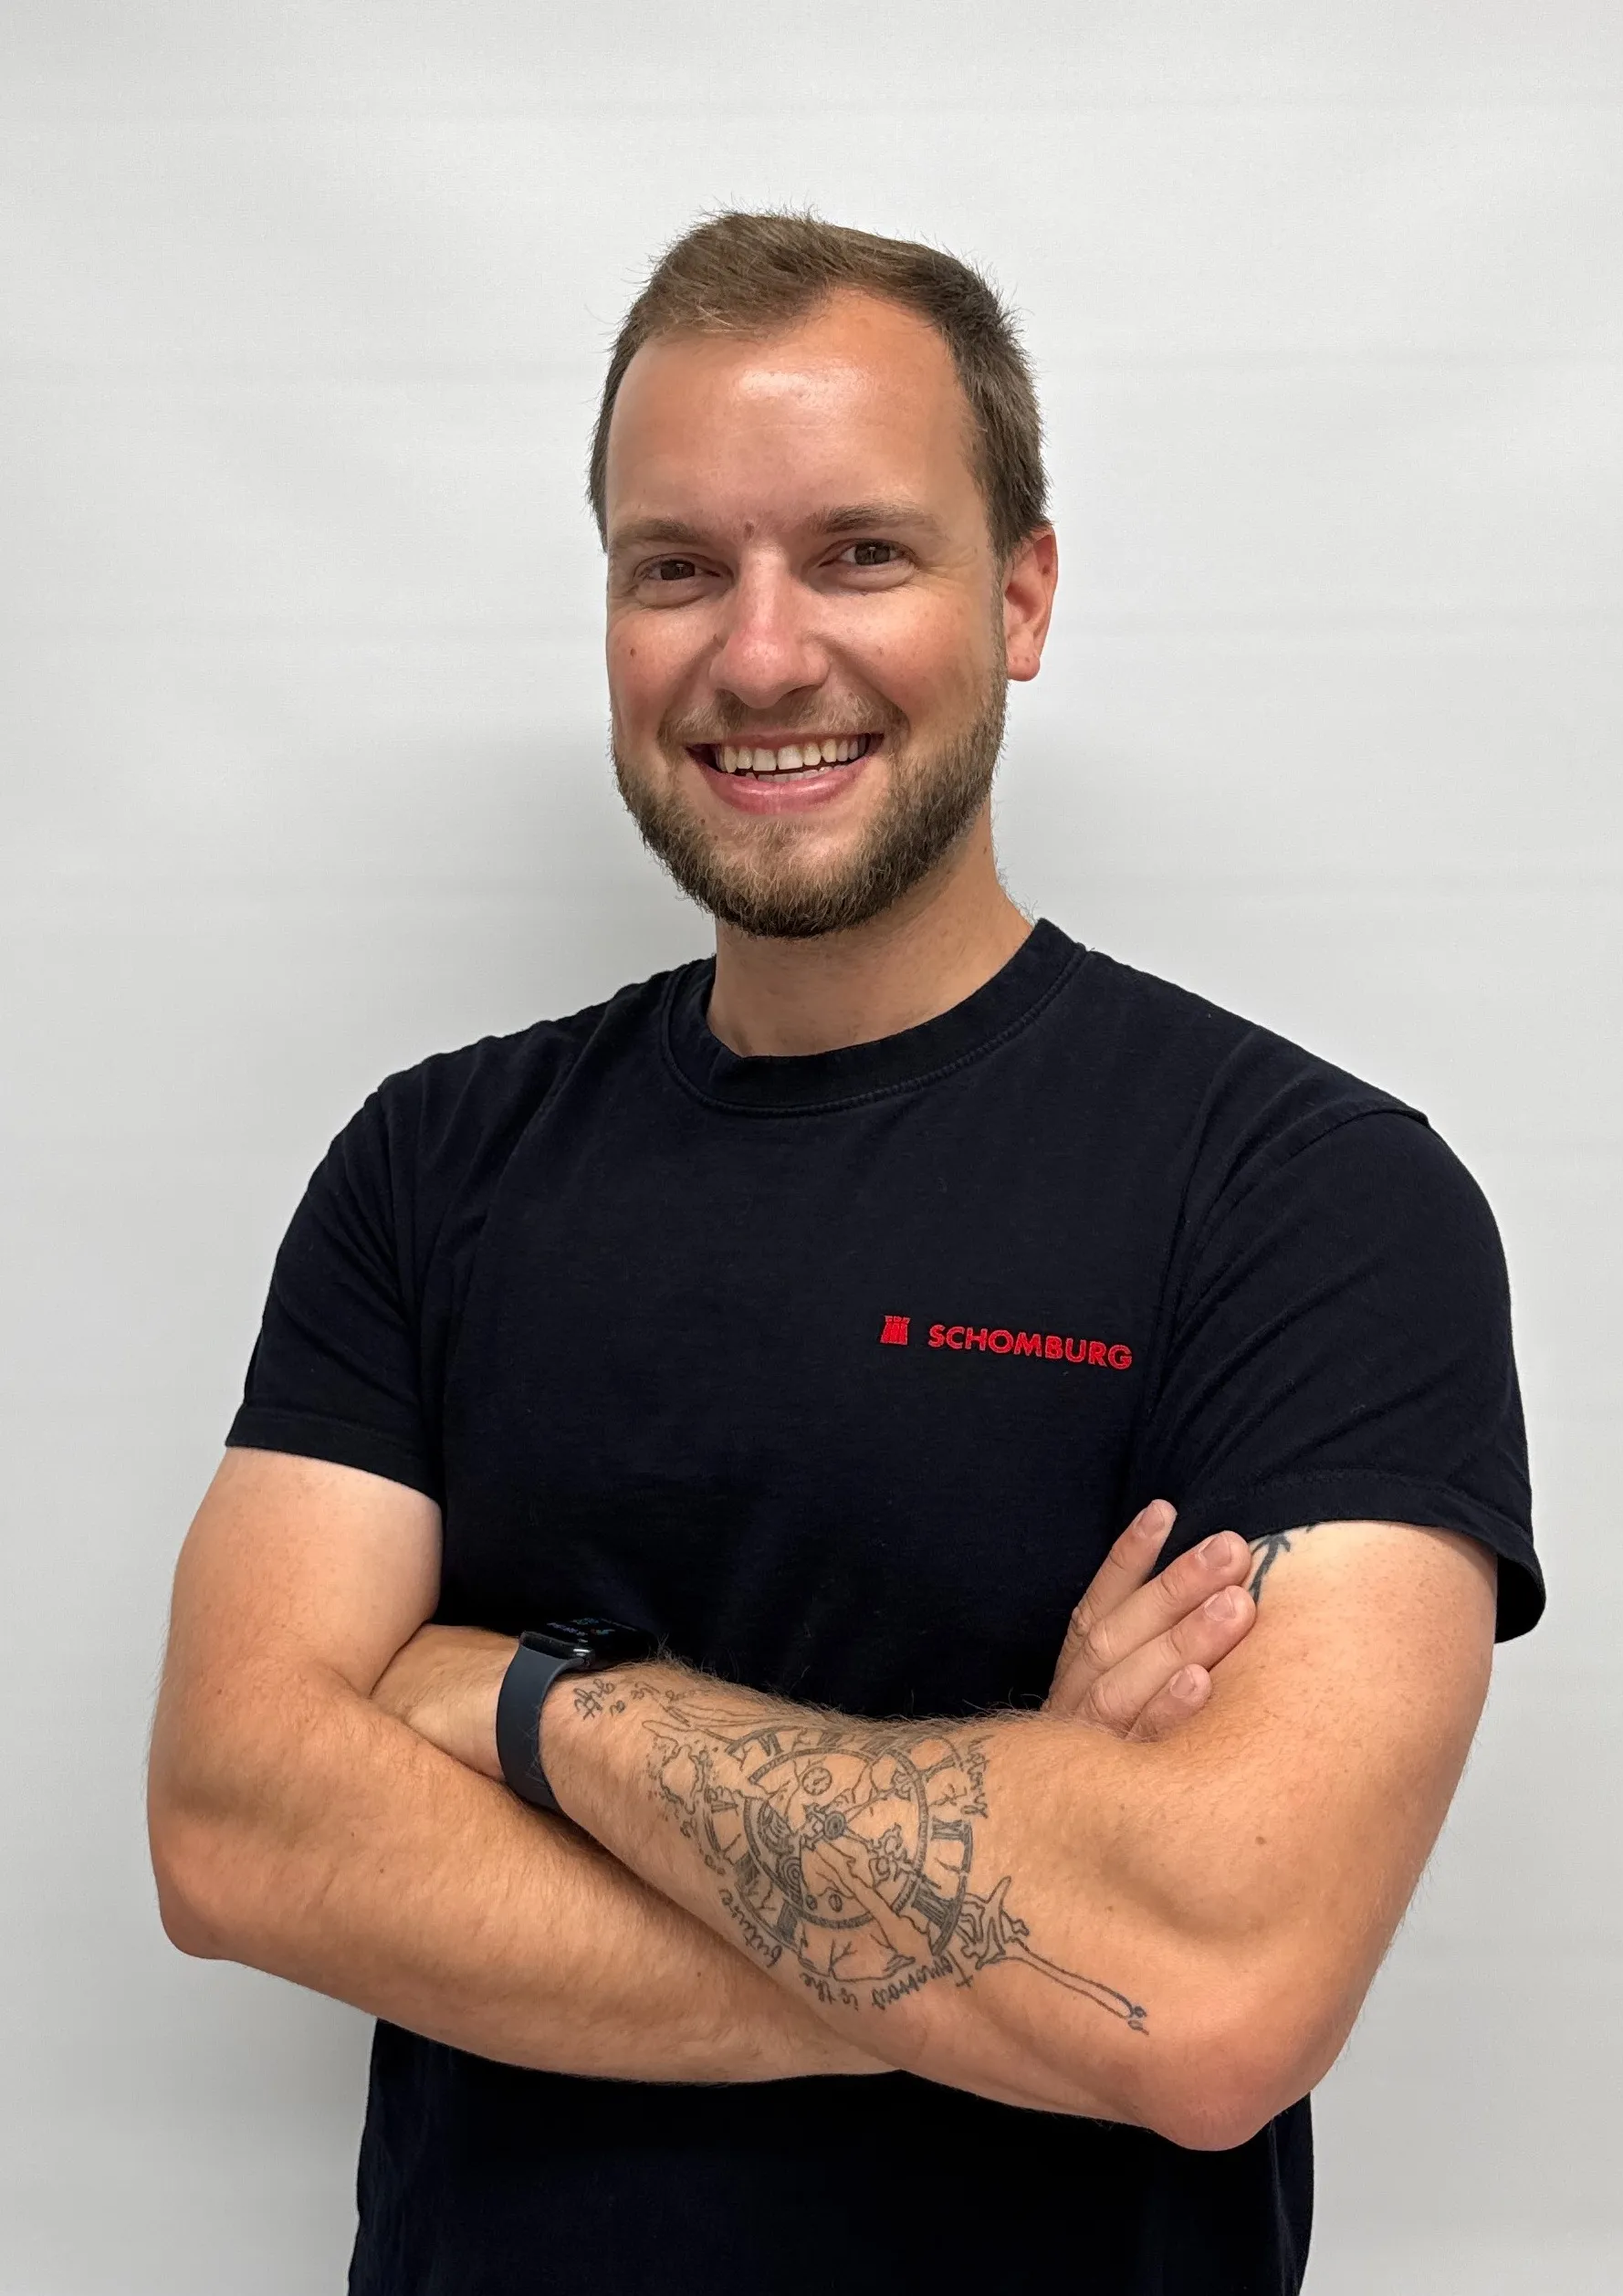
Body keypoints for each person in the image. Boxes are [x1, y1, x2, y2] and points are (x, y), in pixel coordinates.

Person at [147, 213, 1543, 2295]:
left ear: (1023, 595)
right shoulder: (430, 1169)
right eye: (676, 566)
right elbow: (232, 1831)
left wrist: (532, 1708)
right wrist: (1018, 1939)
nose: (762, 653)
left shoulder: (1303, 1200)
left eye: (861, 555)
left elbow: (1218, 1980)